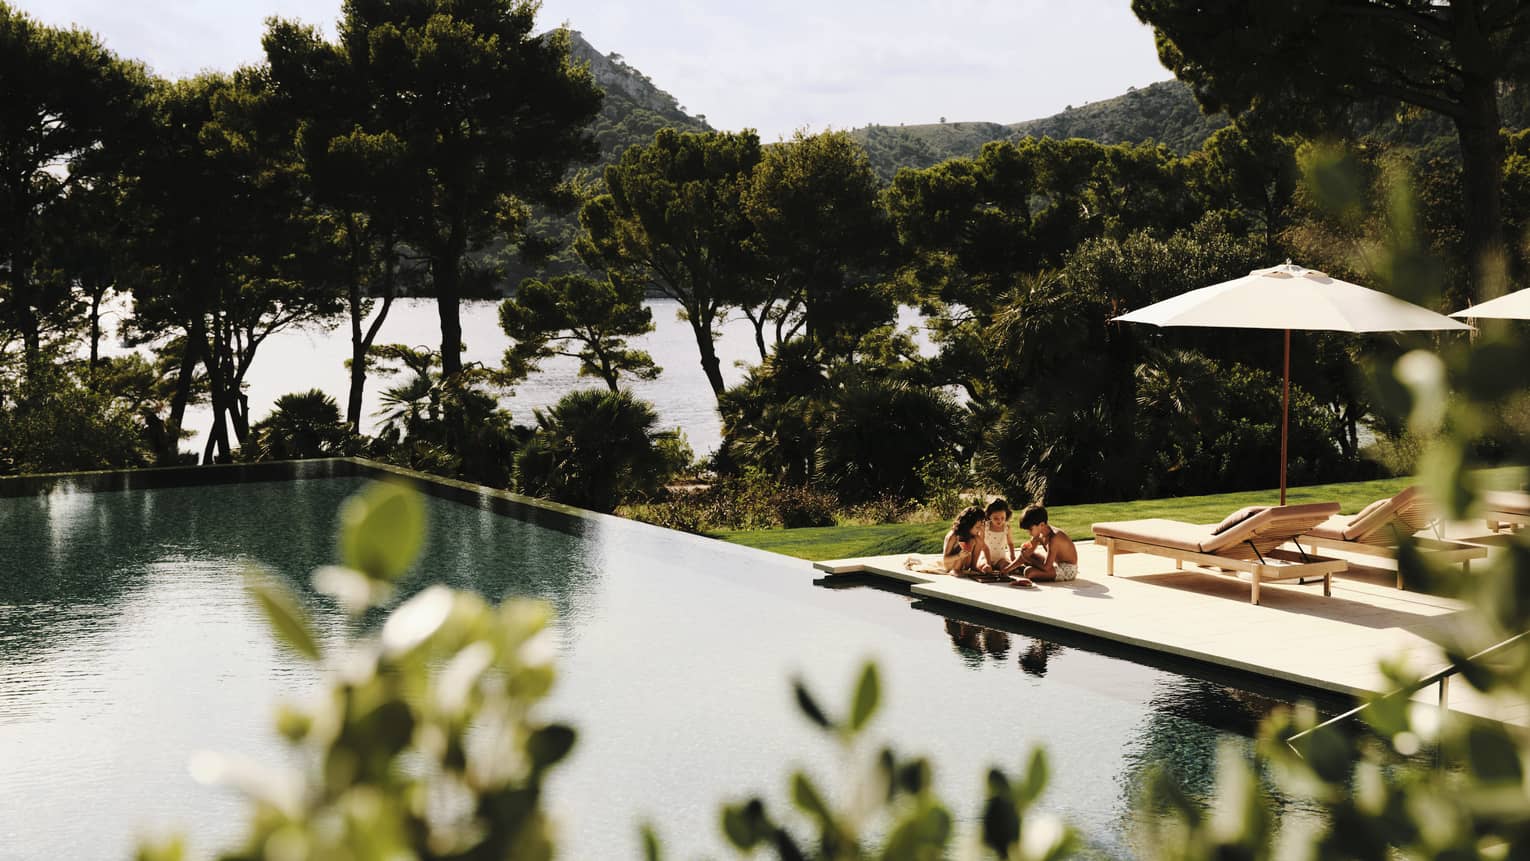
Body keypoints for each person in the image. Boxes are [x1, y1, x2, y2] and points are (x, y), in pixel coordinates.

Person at [1015, 504, 1079, 583]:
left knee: (1028, 572)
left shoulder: (1054, 538)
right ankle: (1019, 568)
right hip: (1054, 565)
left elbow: (1046, 567)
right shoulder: (1039, 533)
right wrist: (1006, 569)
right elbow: (1025, 555)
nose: (1029, 533)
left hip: (1067, 570)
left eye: (1030, 529)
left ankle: (1024, 569)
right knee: (1028, 553)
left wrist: (1028, 559)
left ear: (1041, 525)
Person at [940, 506, 987, 574]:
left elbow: (981, 545)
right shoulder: (953, 536)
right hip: (951, 564)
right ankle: (955, 570)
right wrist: (959, 556)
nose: (979, 529)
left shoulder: (972, 535)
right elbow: (945, 560)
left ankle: (973, 566)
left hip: (964, 564)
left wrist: (982, 532)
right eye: (977, 527)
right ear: (968, 525)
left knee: (976, 540)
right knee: (973, 540)